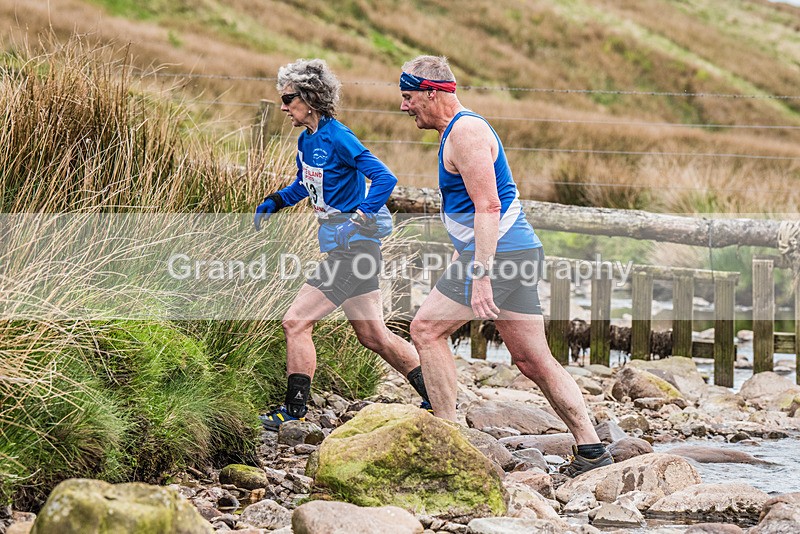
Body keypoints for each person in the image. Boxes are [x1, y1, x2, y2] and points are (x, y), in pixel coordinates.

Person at [398, 55, 613, 477]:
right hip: (513, 254)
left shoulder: (467, 132)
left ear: (432, 92)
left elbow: (489, 205)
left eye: (408, 97)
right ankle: (591, 450)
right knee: (533, 361)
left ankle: (447, 442)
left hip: (504, 258)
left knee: (425, 329)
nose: (404, 107)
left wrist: (480, 275)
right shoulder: (456, 132)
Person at [254, 58, 430, 430]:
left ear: (310, 98)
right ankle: (436, 391)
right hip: (345, 249)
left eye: (288, 99)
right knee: (373, 335)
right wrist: (277, 200)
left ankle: (293, 411)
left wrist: (360, 216)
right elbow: (306, 183)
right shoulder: (307, 140)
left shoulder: (339, 137)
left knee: (295, 322)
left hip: (355, 250)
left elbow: (384, 178)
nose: (283, 107)